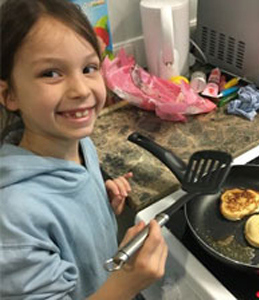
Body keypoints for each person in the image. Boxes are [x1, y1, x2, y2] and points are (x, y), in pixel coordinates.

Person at [0, 0, 168, 299]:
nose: (81, 89)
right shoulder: (13, 218)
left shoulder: (78, 143)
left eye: (89, 68)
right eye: (51, 73)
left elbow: (69, 223)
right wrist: (128, 283)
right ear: (9, 94)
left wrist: (98, 205)